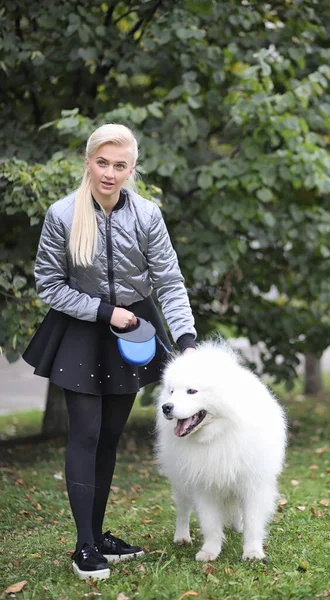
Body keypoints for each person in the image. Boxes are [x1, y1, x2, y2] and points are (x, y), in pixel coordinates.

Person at [23, 123, 197, 580]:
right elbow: (49, 285)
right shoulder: (62, 214)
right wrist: (104, 312)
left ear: (131, 169)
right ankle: (83, 547)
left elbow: (169, 282)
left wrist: (186, 342)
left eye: (120, 165)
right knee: (85, 433)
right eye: (102, 162)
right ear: (88, 162)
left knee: (110, 437)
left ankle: (99, 537)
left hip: (134, 331)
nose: (110, 173)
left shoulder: (147, 215)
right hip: (83, 327)